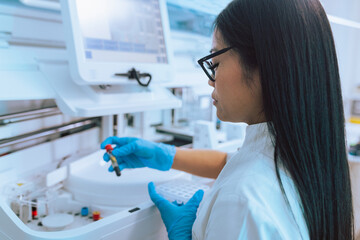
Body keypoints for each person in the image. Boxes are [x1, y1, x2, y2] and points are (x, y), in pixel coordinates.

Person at [101, 0, 354, 239]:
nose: (210, 79)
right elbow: (231, 161)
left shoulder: (241, 200)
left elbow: (245, 180)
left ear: (264, 64)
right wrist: (166, 155)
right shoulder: (308, 152)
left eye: (216, 62)